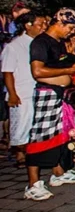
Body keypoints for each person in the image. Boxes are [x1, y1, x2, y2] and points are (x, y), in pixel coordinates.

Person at [25, 9, 75, 201]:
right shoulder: (41, 42)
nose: (72, 32)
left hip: (60, 94)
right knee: (41, 136)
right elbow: (38, 71)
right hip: (47, 94)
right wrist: (69, 70)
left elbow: (59, 64)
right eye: (71, 28)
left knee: (62, 135)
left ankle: (59, 173)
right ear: (60, 23)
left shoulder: (58, 43)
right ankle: (33, 184)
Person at [2, 13, 46, 167]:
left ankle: (32, 155)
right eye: (40, 24)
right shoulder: (13, 46)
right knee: (21, 126)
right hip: (21, 93)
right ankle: (20, 155)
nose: (44, 27)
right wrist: (12, 94)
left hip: (37, 90)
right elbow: (7, 72)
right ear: (28, 25)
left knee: (33, 126)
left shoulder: (39, 44)